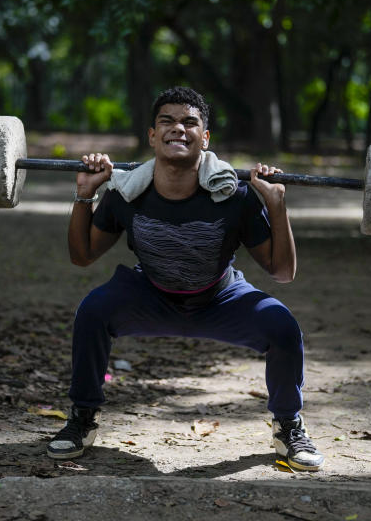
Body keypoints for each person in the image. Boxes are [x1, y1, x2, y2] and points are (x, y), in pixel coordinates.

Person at [47, 86, 323, 471]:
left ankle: (288, 425)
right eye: (167, 121)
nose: (179, 128)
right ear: (152, 135)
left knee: (282, 326)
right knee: (92, 311)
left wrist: (276, 206)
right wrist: (84, 196)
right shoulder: (126, 192)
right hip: (150, 294)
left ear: (204, 138)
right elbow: (82, 256)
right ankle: (82, 418)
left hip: (219, 297)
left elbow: (283, 272)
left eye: (189, 122)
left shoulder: (235, 195)